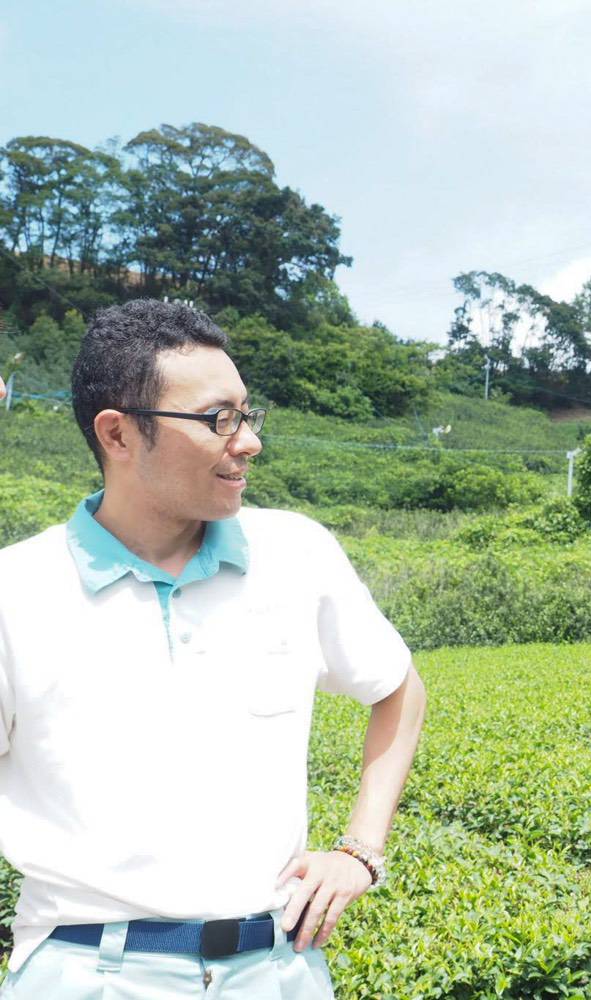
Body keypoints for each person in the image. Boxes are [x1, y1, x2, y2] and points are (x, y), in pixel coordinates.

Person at [0, 300, 426, 997]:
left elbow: (399, 690)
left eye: (247, 414)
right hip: (88, 969)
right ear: (118, 434)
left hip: (277, 966)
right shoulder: (16, 591)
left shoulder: (295, 553)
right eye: (216, 419)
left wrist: (361, 852)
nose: (249, 440)